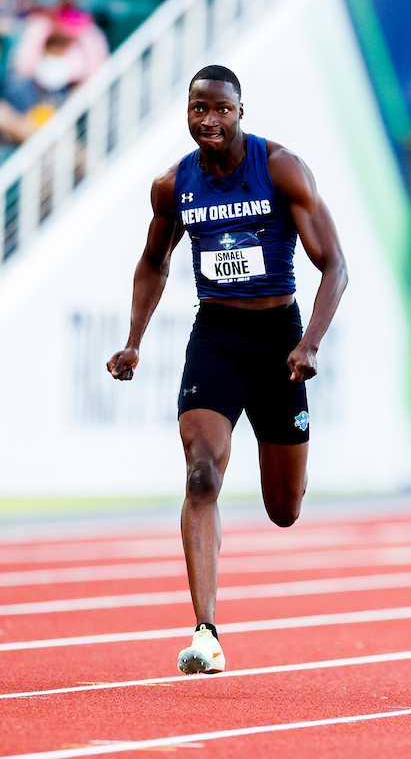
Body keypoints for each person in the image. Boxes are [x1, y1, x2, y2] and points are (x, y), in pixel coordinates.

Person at [107, 65, 348, 675]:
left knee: (284, 508)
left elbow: (335, 266)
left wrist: (310, 344)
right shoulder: (173, 186)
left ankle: (282, 472)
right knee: (201, 474)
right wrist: (133, 340)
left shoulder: (282, 168)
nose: (209, 121)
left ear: (241, 111)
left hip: (279, 341)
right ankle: (206, 631)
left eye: (221, 110)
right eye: (198, 110)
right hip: (215, 335)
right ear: (187, 112)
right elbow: (153, 262)